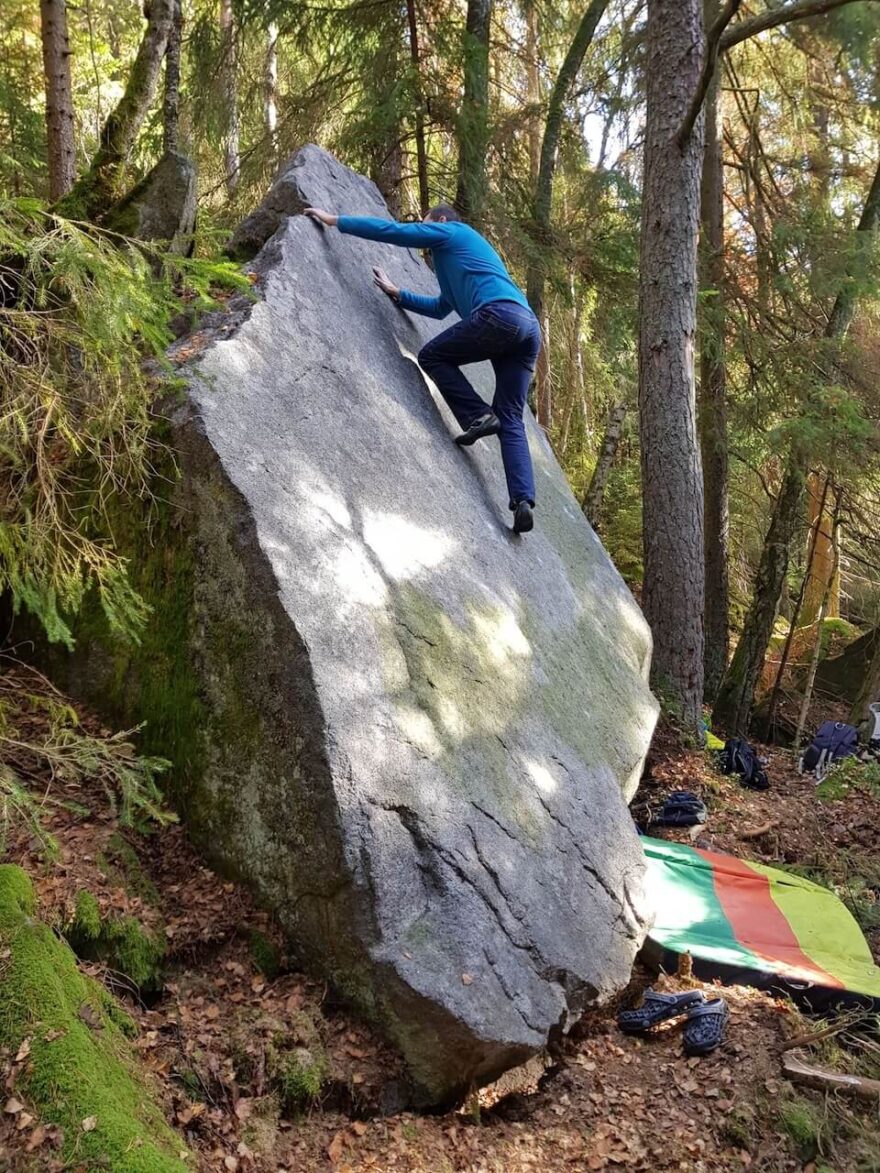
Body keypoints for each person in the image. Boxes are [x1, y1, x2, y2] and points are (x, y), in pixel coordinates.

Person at [303, 203, 541, 535]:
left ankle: (478, 415)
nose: (423, 229)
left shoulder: (452, 232)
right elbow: (441, 307)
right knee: (512, 417)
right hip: (527, 328)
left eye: (425, 223)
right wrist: (398, 293)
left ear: (439, 222)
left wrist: (336, 221)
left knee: (432, 356)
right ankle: (523, 501)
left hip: (500, 316)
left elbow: (397, 233)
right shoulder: (454, 262)